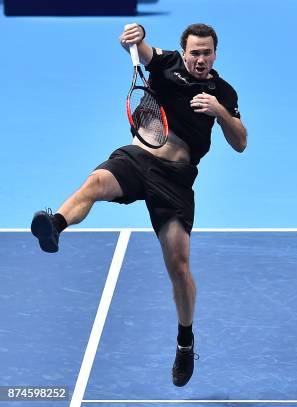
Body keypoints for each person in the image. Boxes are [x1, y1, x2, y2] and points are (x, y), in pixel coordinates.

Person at [30, 23, 247, 385]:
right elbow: (141, 47)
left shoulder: (223, 91)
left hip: (176, 180)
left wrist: (220, 111)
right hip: (139, 158)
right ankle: (55, 226)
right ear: (185, 51)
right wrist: (136, 34)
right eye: (195, 52)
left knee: (178, 266)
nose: (200, 59)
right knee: (96, 182)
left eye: (206, 52)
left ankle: (184, 341)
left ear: (215, 54)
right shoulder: (168, 64)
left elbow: (240, 142)